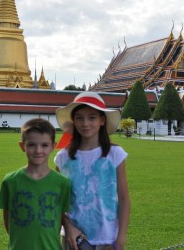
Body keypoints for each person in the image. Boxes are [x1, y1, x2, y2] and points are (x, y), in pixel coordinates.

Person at [54, 92, 130, 250]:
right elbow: (57, 200)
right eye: (79, 118)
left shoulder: (115, 154)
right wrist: (68, 227)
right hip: (74, 239)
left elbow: (123, 198)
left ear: (102, 120)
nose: (85, 123)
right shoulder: (63, 158)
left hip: (108, 238)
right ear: (73, 121)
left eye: (92, 117)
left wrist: (120, 240)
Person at [0, 118, 71, 250]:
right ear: (22, 146)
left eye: (44, 145)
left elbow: (60, 218)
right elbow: (8, 219)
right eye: (31, 145)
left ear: (53, 146)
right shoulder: (10, 181)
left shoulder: (62, 183)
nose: (38, 150)